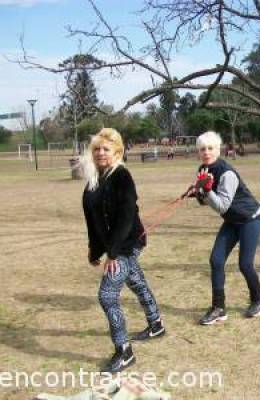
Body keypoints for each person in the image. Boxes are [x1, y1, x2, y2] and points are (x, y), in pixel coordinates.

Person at [82, 128, 165, 373]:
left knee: (107, 295)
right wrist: (94, 249)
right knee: (136, 281)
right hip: (113, 246)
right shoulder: (94, 180)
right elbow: (92, 218)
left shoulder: (121, 176)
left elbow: (126, 216)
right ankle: (156, 323)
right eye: (96, 149)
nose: (100, 153)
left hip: (128, 244)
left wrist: (113, 254)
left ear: (117, 151)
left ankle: (124, 351)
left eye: (106, 149)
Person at [187, 131, 260, 325]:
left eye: (210, 148)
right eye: (202, 149)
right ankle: (218, 308)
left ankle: (257, 301)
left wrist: (206, 191)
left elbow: (222, 205)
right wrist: (198, 193)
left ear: (218, 149)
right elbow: (205, 202)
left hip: (249, 219)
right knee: (216, 260)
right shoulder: (203, 170)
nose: (206, 152)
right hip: (231, 221)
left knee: (245, 265)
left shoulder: (226, 172)